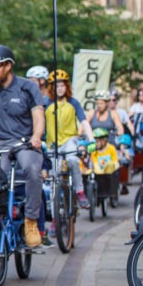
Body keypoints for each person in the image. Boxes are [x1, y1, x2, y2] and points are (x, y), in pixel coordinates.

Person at [0, 45, 45, 248]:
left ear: (8, 66)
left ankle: (30, 221)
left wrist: (36, 136)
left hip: (25, 143)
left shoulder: (27, 87)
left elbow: (39, 116)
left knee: (31, 168)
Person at [44, 70, 94, 210]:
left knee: (72, 160)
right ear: (51, 88)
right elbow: (38, 122)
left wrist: (91, 139)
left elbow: (84, 122)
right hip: (53, 144)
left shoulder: (73, 103)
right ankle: (55, 221)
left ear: (67, 86)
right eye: (56, 86)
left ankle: (80, 192)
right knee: (55, 179)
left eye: (62, 85)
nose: (59, 88)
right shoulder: (46, 104)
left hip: (70, 141)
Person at [87, 127, 120, 204]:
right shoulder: (93, 149)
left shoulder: (111, 148)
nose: (97, 142)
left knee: (111, 166)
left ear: (105, 140)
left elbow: (115, 161)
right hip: (97, 171)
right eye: (96, 140)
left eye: (99, 140)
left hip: (108, 172)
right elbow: (93, 160)